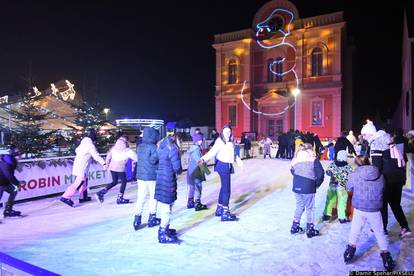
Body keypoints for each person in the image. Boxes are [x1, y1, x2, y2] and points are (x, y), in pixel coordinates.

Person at [343, 156, 396, 271]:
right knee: (379, 232)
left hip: (360, 207)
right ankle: (386, 257)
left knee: (355, 229)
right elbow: (383, 187)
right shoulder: (380, 175)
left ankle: (349, 252)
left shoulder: (355, 174)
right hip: (375, 208)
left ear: (357, 164)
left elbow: (349, 187)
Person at [361, 120, 411, 238]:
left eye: (364, 134)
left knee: (382, 204)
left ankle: (382, 229)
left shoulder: (375, 143)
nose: (363, 137)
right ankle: (405, 227)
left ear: (370, 133)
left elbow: (377, 167)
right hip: (398, 177)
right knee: (395, 204)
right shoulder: (387, 138)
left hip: (387, 179)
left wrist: (370, 178)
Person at [200, 125, 243, 221]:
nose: (227, 133)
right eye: (225, 131)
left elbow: (234, 153)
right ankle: (225, 212)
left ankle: (219, 208)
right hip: (222, 166)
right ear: (222, 132)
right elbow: (212, 152)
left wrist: (238, 160)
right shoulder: (220, 141)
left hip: (227, 165)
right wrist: (203, 159)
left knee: (224, 187)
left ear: (231, 132)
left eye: (229, 131)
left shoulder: (231, 142)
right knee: (227, 189)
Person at [60, 129, 106, 207]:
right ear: (93, 140)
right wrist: (104, 163)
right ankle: (65, 197)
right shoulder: (90, 145)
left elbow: (77, 151)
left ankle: (83, 197)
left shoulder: (82, 144)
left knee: (84, 182)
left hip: (78, 165)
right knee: (78, 183)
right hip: (81, 167)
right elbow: (96, 156)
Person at [290, 143, 324, 238]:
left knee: (299, 205)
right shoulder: (313, 159)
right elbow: (320, 173)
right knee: (310, 208)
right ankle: (310, 229)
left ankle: (294, 226)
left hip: (297, 185)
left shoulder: (296, 159)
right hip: (308, 186)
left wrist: (299, 177)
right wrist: (316, 184)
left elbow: (292, 170)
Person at [154, 134, 182, 243]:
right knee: (167, 206)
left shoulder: (161, 147)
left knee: (165, 204)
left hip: (161, 178)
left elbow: (154, 160)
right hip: (168, 179)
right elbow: (177, 168)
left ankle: (165, 228)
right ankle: (162, 233)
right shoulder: (173, 149)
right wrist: (179, 170)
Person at [133, 127, 161, 231]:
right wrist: (158, 153)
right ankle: (152, 218)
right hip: (151, 176)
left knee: (141, 197)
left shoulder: (140, 146)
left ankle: (137, 219)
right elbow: (153, 160)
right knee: (153, 197)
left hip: (141, 176)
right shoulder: (153, 147)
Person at [96, 136, 137, 204]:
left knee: (114, 182)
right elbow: (136, 158)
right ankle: (120, 198)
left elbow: (108, 156)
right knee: (124, 182)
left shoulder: (114, 148)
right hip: (120, 168)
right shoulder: (127, 150)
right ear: (126, 142)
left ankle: (101, 192)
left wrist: (106, 164)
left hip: (112, 167)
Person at [322, 150, 353, 223]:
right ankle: (341, 217)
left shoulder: (333, 164)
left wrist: (333, 175)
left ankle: (326, 214)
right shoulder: (347, 166)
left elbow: (327, 172)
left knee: (330, 200)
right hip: (342, 186)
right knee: (342, 201)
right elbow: (351, 175)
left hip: (332, 185)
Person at [186, 133, 208, 211]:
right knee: (198, 187)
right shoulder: (196, 149)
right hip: (196, 171)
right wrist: (206, 170)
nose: (201, 141)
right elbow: (199, 161)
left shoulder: (192, 148)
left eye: (201, 140)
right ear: (196, 141)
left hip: (190, 170)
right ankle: (197, 204)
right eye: (199, 140)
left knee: (192, 186)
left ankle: (190, 201)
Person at [0, 146, 22, 217]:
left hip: (5, 182)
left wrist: (17, 183)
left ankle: (8, 210)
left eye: (19, 155)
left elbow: (10, 175)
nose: (19, 157)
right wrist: (17, 183)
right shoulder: (7, 162)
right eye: (17, 155)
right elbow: (9, 175)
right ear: (13, 155)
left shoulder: (12, 162)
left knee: (14, 191)